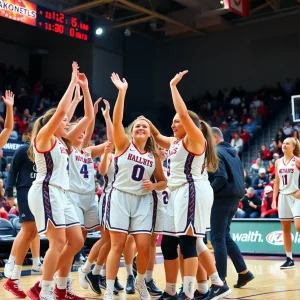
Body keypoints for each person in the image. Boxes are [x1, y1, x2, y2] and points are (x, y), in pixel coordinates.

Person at [143, 71, 231, 300]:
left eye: (176, 122)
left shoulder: (196, 139)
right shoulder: (176, 142)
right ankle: (173, 290)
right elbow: (159, 136)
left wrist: (173, 86)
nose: (173, 125)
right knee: (170, 243)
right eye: (172, 122)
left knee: (189, 241)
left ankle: (190, 293)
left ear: (189, 124)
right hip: (176, 193)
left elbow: (182, 112)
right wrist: (146, 123)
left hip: (191, 190)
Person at [103, 73, 167, 300]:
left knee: (143, 246)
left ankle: (140, 284)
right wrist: (122, 92)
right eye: (137, 126)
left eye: (145, 126)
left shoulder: (153, 155)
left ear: (150, 133)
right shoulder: (123, 144)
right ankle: (110, 290)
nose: (141, 128)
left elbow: (164, 182)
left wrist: (154, 185)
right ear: (132, 131)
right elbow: (118, 120)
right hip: (119, 197)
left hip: (142, 200)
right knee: (117, 245)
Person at [26, 62, 84, 300]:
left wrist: (77, 99)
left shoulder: (61, 140)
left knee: (76, 240)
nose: (67, 122)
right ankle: (45, 290)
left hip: (62, 193)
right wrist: (71, 82)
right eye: (63, 122)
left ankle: (59, 286)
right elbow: (60, 113)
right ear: (51, 123)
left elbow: (65, 114)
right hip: (46, 190)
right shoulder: (44, 137)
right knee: (58, 242)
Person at [209, 127, 254, 290]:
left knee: (217, 239)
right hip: (234, 198)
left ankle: (220, 279)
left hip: (221, 199)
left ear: (214, 138)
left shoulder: (216, 152)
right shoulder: (233, 153)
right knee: (225, 236)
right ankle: (244, 272)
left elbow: (220, 178)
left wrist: (208, 192)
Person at [2, 121, 43, 298]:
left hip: (41, 192)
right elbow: (12, 173)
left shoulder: (46, 149)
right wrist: (10, 194)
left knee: (33, 230)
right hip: (25, 191)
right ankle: (11, 263)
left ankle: (35, 263)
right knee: (27, 228)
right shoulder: (22, 150)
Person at [273, 137, 300, 269]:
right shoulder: (278, 162)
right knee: (285, 230)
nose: (284, 145)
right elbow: (276, 181)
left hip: (296, 197)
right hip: (283, 196)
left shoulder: (297, 161)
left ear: (293, 147)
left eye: (287, 143)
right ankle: (289, 258)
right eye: (283, 143)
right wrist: (274, 198)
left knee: (298, 226)